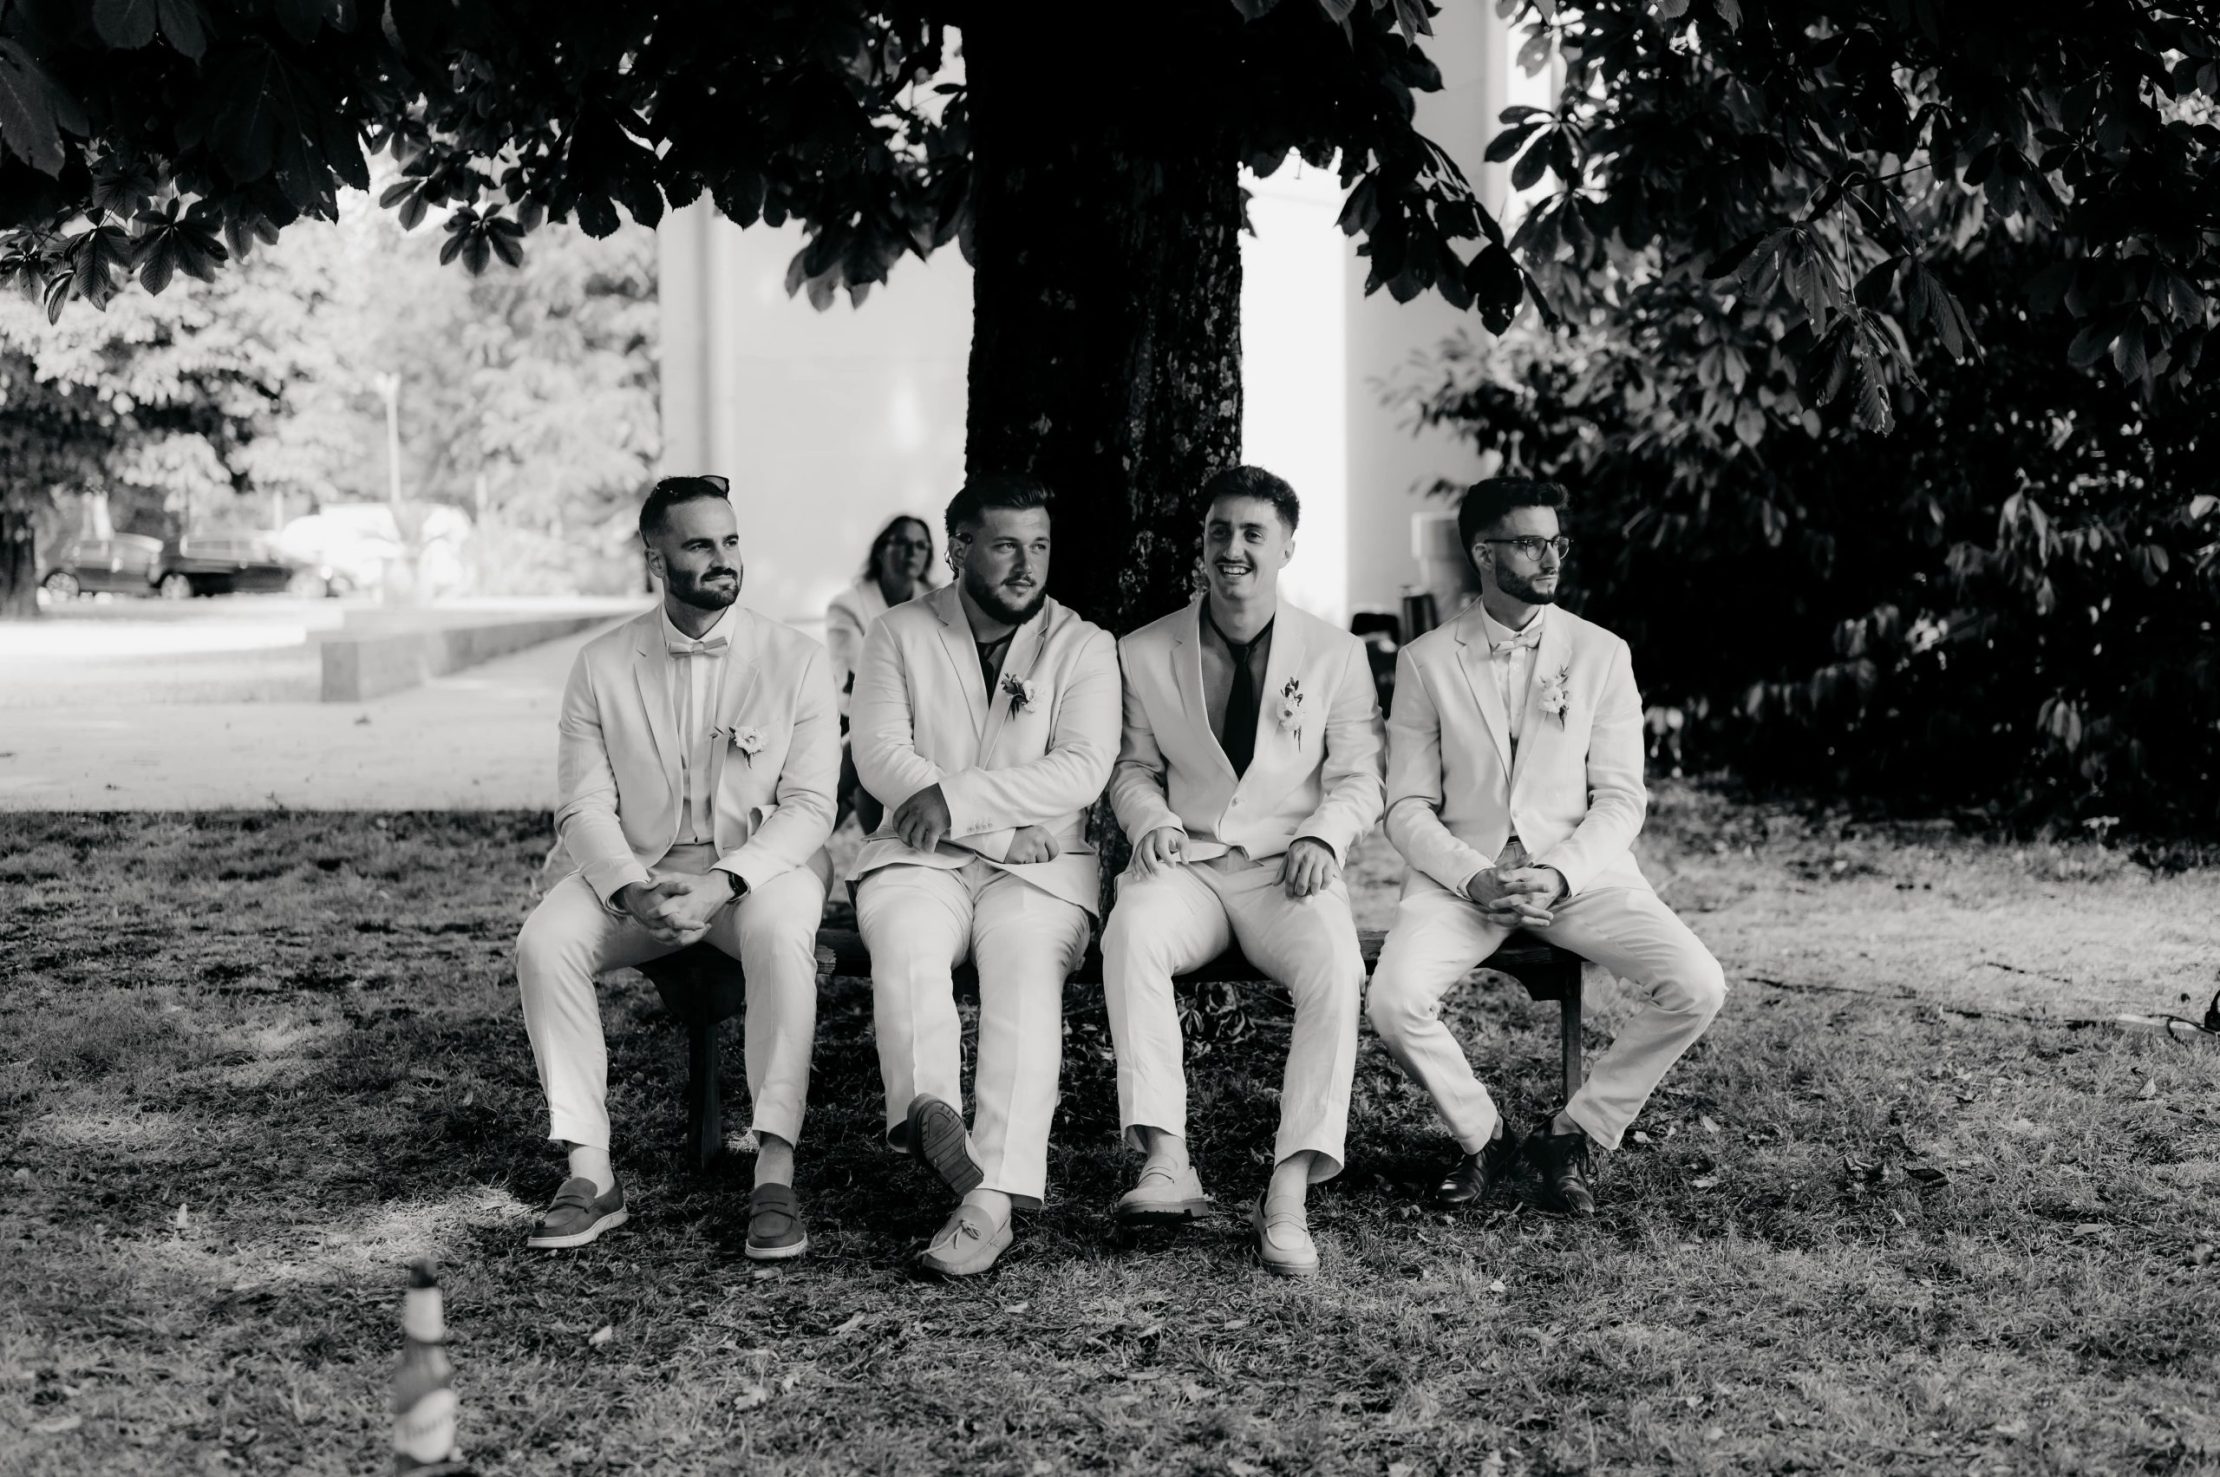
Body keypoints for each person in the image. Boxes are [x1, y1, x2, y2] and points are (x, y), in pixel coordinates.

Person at [1366, 476, 1727, 1216]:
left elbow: (1623, 798)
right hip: (1463, 882)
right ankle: (1485, 1137)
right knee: (1394, 1000)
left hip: (1581, 875)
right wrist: (1473, 877)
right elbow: (1404, 806)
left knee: (1698, 984)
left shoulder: (1601, 653)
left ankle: (1574, 1130)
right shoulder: (1427, 660)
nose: (1551, 556)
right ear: (1483, 553)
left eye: (1555, 541)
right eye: (1530, 542)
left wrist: (1560, 872)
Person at [514, 474, 838, 1259]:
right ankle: (590, 1171)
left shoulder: (796, 659)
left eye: (730, 541)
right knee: (544, 941)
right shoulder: (600, 664)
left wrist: (727, 881)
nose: (723, 558)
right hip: (642, 870)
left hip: (755, 871)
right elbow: (583, 808)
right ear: (656, 558)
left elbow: (810, 806)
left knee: (783, 933)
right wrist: (630, 887)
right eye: (700, 544)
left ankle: (773, 1170)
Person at [1100, 466, 1385, 1277]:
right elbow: (1132, 768)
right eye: (1220, 531)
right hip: (1186, 863)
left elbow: (1361, 775)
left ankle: (1289, 1187)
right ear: (1203, 541)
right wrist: (1150, 822)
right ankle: (1166, 1157)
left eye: (1253, 533)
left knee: (1336, 964)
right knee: (1131, 934)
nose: (1233, 548)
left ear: (1287, 546)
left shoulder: (1336, 654)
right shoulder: (1144, 650)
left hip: (1285, 873)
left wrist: (1326, 836)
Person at [848, 472, 1119, 1277]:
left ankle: (989, 1201)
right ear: (959, 546)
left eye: (1039, 545)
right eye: (1005, 544)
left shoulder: (1084, 645)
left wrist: (956, 799)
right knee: (903, 937)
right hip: (923, 856)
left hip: (1043, 873)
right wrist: (1000, 832)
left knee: (1025, 973)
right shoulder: (896, 632)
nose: (1026, 564)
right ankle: (932, 1109)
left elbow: (1081, 769)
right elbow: (880, 754)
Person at [827, 516, 937, 834]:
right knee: (866, 742)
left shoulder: (939, 602)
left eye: (920, 546)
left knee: (873, 755)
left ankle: (834, 819)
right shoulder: (847, 606)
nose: (911, 553)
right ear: (881, 551)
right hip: (858, 711)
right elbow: (859, 675)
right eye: (901, 543)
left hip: (923, 714)